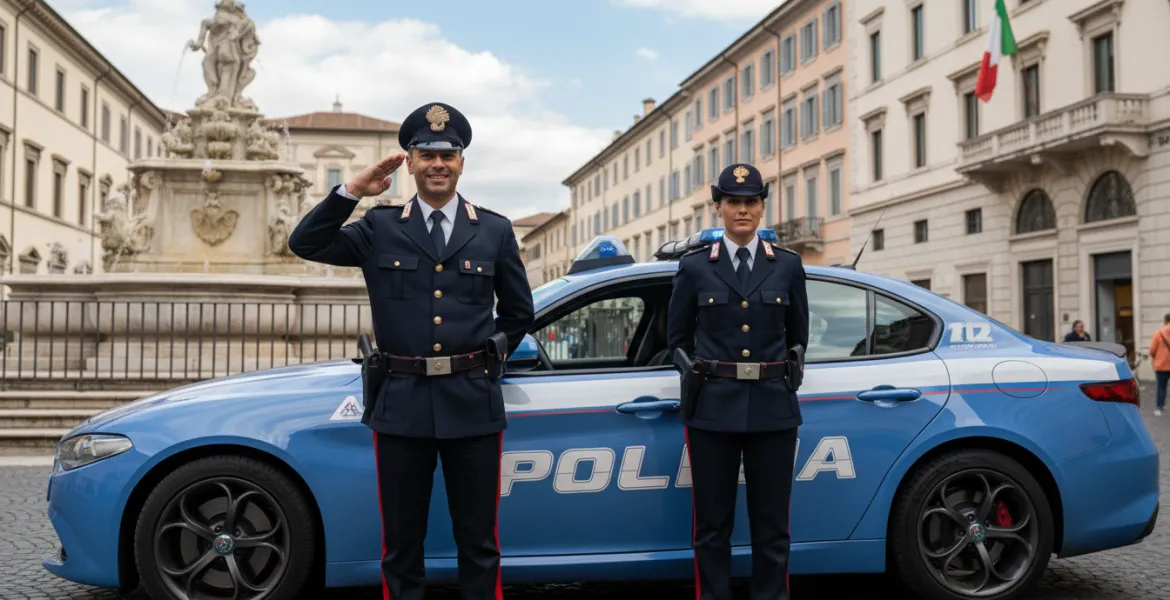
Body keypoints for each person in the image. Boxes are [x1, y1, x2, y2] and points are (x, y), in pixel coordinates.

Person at [287, 101, 534, 600]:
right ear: (410, 161)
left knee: (479, 542)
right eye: (426, 154)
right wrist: (352, 191)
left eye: (448, 154)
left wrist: (492, 359)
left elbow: (519, 312)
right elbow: (305, 243)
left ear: (462, 161)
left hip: (471, 400)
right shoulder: (378, 228)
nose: (437, 164)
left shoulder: (493, 230)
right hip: (401, 404)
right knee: (401, 543)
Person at [666, 162, 809, 600]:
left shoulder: (786, 265)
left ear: (762, 208)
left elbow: (799, 337)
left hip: (772, 406)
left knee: (772, 527)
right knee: (712, 526)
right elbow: (676, 339)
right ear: (719, 207)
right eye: (733, 202)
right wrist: (693, 375)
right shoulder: (694, 269)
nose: (742, 210)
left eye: (750, 202)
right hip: (713, 408)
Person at [1148, 313, 1170, 417]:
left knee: (1161, 387)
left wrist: (1156, 357)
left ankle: (1160, 407)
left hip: (1161, 365)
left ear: (1165, 321)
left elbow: (1152, 350)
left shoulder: (1158, 333)